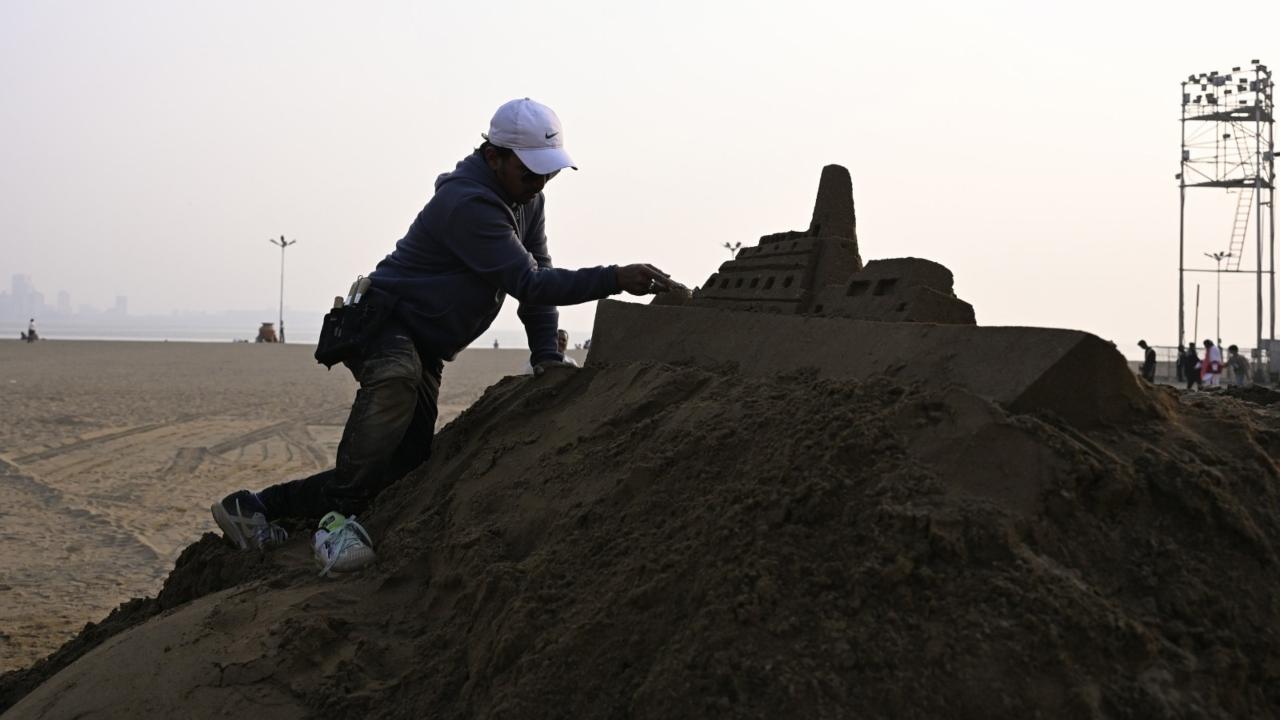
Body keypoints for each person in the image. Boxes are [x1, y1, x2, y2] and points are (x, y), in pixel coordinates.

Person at [210, 98, 675, 574]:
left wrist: (545, 356)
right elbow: (529, 282)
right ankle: (338, 520)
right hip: (385, 320)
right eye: (531, 172)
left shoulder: (526, 199)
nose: (540, 183)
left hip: (426, 343)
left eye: (547, 172)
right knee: (394, 379)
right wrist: (615, 277)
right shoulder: (467, 202)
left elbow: (540, 272)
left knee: (404, 470)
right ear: (495, 156)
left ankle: (254, 507)